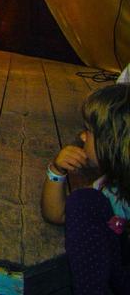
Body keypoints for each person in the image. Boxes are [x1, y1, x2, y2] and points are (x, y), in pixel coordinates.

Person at [41, 84, 130, 294]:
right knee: (84, 201)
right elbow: (57, 214)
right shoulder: (110, 188)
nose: (82, 137)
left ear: (113, 142)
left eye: (89, 131)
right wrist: (57, 171)